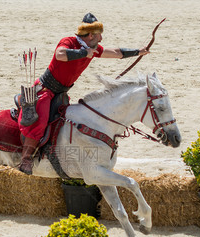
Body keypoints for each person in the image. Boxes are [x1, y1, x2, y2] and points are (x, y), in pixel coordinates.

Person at [17, 12, 150, 174]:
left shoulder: (93, 48)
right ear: (91, 35)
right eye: (99, 35)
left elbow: (115, 52)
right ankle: (25, 159)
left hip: (61, 93)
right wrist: (82, 53)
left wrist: (139, 51)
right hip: (45, 91)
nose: (101, 39)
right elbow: (60, 55)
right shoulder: (70, 42)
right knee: (40, 122)